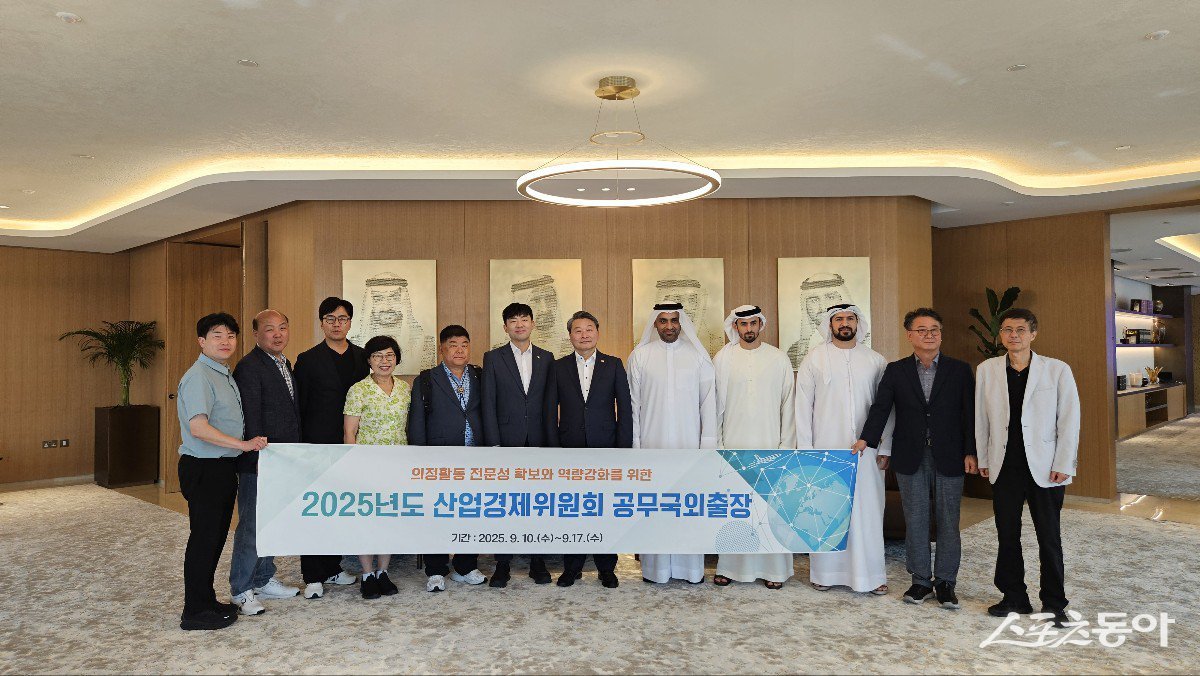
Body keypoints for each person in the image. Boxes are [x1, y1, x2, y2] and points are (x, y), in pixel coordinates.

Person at [856, 307, 975, 610]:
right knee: (916, 519)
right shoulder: (896, 371)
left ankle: (946, 582)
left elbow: (970, 414)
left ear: (941, 334)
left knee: (948, 520)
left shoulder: (960, 370)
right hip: (910, 455)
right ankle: (920, 580)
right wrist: (867, 439)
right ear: (910, 335)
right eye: (922, 330)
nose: (929, 335)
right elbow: (881, 408)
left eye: (934, 329)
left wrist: (971, 451)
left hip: (950, 454)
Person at [976, 308, 1079, 627]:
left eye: (1020, 329)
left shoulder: (1057, 369)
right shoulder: (987, 369)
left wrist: (1064, 462)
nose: (1013, 335)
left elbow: (1069, 419)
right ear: (1001, 335)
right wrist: (983, 458)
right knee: (1007, 534)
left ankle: (1054, 603)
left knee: (1049, 537)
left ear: (1033, 334)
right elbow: (981, 418)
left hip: (1046, 467)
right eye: (1007, 329)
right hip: (1004, 465)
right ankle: (1014, 597)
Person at [175, 312, 267, 631]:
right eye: (217, 335)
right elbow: (199, 428)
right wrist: (243, 445)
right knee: (204, 539)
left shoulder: (222, 373)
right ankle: (194, 611)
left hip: (221, 466)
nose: (225, 341)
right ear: (201, 341)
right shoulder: (199, 376)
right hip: (205, 467)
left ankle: (205, 600)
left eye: (230, 335)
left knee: (214, 539)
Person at [798, 304, 891, 596]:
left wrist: (886, 446)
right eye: (839, 319)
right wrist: (806, 450)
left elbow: (887, 408)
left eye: (850, 318)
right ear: (830, 324)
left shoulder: (875, 360)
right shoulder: (814, 358)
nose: (844, 323)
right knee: (825, 510)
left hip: (868, 451)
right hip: (824, 448)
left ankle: (871, 576)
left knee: (868, 513)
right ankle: (825, 574)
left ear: (857, 323)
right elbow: (803, 407)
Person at [628, 302, 717, 584]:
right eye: (663, 321)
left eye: (674, 320)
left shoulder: (698, 357)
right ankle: (655, 571)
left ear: (681, 323)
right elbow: (633, 406)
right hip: (651, 447)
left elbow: (708, 405)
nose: (669, 326)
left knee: (686, 507)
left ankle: (689, 570)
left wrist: (707, 449)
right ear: (655, 324)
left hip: (688, 446)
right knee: (654, 509)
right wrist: (636, 448)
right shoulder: (640, 356)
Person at [546, 310, 633, 588]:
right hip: (569, 448)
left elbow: (625, 409)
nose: (584, 335)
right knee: (573, 510)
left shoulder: (613, 364)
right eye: (578, 330)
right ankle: (572, 568)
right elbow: (550, 411)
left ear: (597, 333)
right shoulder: (558, 367)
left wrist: (623, 450)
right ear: (570, 335)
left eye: (589, 329)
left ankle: (607, 568)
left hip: (605, 448)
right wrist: (555, 449)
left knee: (604, 509)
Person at [712, 305, 796, 589]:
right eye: (743, 324)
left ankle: (774, 571)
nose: (748, 328)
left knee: (769, 510)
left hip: (771, 446)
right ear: (735, 327)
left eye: (753, 323)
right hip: (733, 447)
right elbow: (715, 407)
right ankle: (730, 568)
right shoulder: (722, 358)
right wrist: (719, 445)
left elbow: (788, 405)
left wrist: (785, 447)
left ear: (761, 325)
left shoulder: (778, 358)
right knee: (735, 509)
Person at [292, 296, 367, 599]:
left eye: (343, 318)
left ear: (350, 323)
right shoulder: (307, 359)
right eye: (330, 319)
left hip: (354, 444)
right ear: (321, 323)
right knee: (316, 508)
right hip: (318, 444)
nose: (337, 324)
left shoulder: (363, 357)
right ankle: (313, 574)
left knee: (341, 507)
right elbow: (300, 406)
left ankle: (333, 567)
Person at [228, 310, 302, 616]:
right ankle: (241, 588)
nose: (278, 334)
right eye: (270, 329)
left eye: (283, 327)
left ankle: (263, 578)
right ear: (256, 334)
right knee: (252, 527)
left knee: (273, 522)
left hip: (283, 459)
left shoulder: (284, 363)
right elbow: (250, 417)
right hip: (260, 461)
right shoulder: (249, 367)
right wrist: (257, 457)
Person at [409, 325, 489, 592]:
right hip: (439, 458)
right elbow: (417, 421)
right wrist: (420, 458)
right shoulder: (426, 380)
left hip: (474, 458)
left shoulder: (480, 375)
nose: (459, 350)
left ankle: (466, 566)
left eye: (464, 344)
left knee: (472, 512)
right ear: (442, 349)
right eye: (453, 345)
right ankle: (435, 569)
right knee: (437, 512)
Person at [481, 302, 555, 587]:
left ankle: (538, 562)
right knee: (505, 504)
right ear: (505, 327)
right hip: (505, 442)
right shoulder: (493, 358)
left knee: (538, 503)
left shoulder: (547, 358)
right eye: (513, 320)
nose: (519, 324)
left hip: (538, 441)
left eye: (524, 319)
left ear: (533, 324)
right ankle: (503, 564)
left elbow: (550, 404)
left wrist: (551, 445)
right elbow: (488, 403)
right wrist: (494, 445)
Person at [343, 335, 412, 600]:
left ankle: (383, 571)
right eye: (378, 356)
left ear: (396, 359)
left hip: (397, 464)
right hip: (367, 465)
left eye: (390, 355)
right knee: (366, 518)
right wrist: (353, 466)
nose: (385, 361)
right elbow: (350, 432)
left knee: (389, 517)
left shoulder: (404, 388)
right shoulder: (358, 389)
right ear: (369, 360)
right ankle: (367, 573)